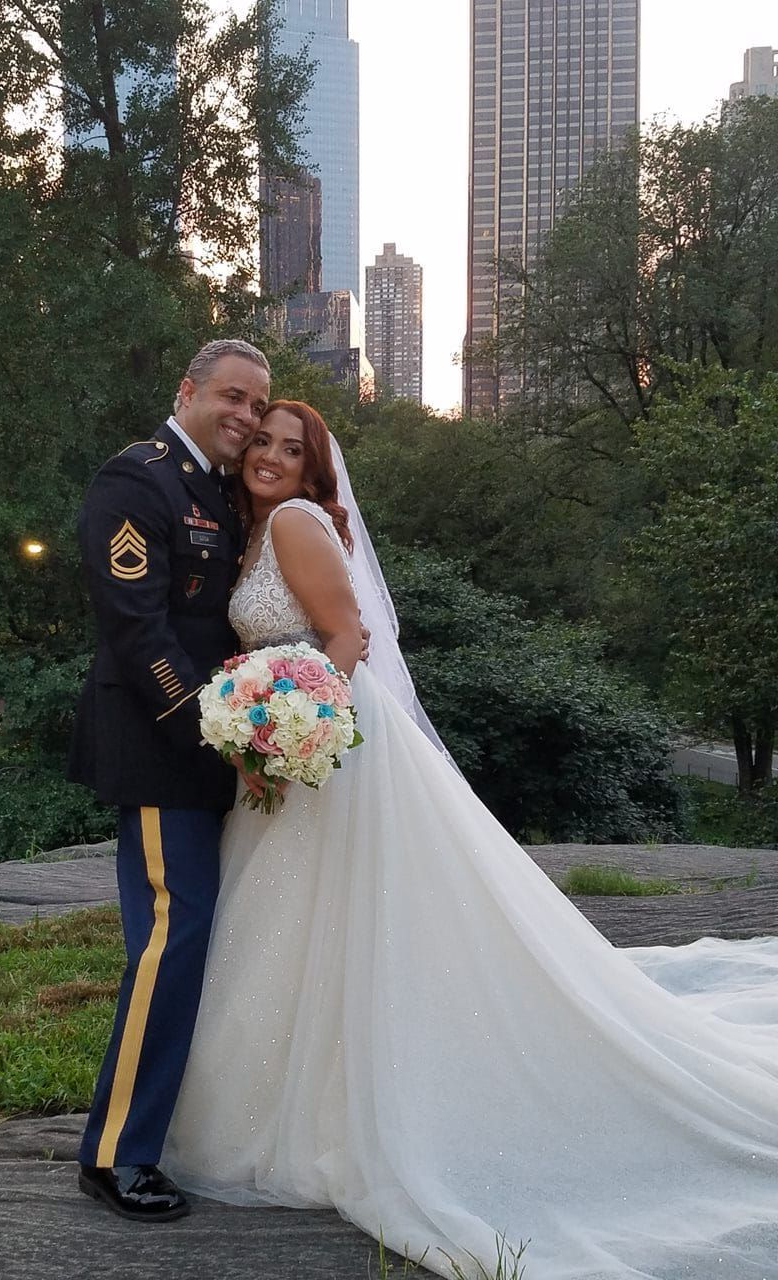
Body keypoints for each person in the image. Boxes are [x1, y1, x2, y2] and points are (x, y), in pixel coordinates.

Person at [163, 401, 778, 1280]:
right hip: (293, 749)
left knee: (338, 911)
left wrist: (296, 729)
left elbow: (347, 636)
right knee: (295, 924)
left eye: (292, 450)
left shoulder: (297, 523)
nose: (270, 456)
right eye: (262, 441)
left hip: (330, 742)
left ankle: (347, 1101)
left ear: (312, 471)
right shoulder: (251, 529)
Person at [67, 338, 271, 1220]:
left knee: (191, 940)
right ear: (187, 391)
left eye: (257, 406)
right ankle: (117, 1154)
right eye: (231, 396)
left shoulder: (221, 493)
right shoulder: (138, 482)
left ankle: (158, 1130)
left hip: (215, 750)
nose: (245, 416)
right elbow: (136, 629)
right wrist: (206, 728)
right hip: (163, 750)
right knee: (172, 938)